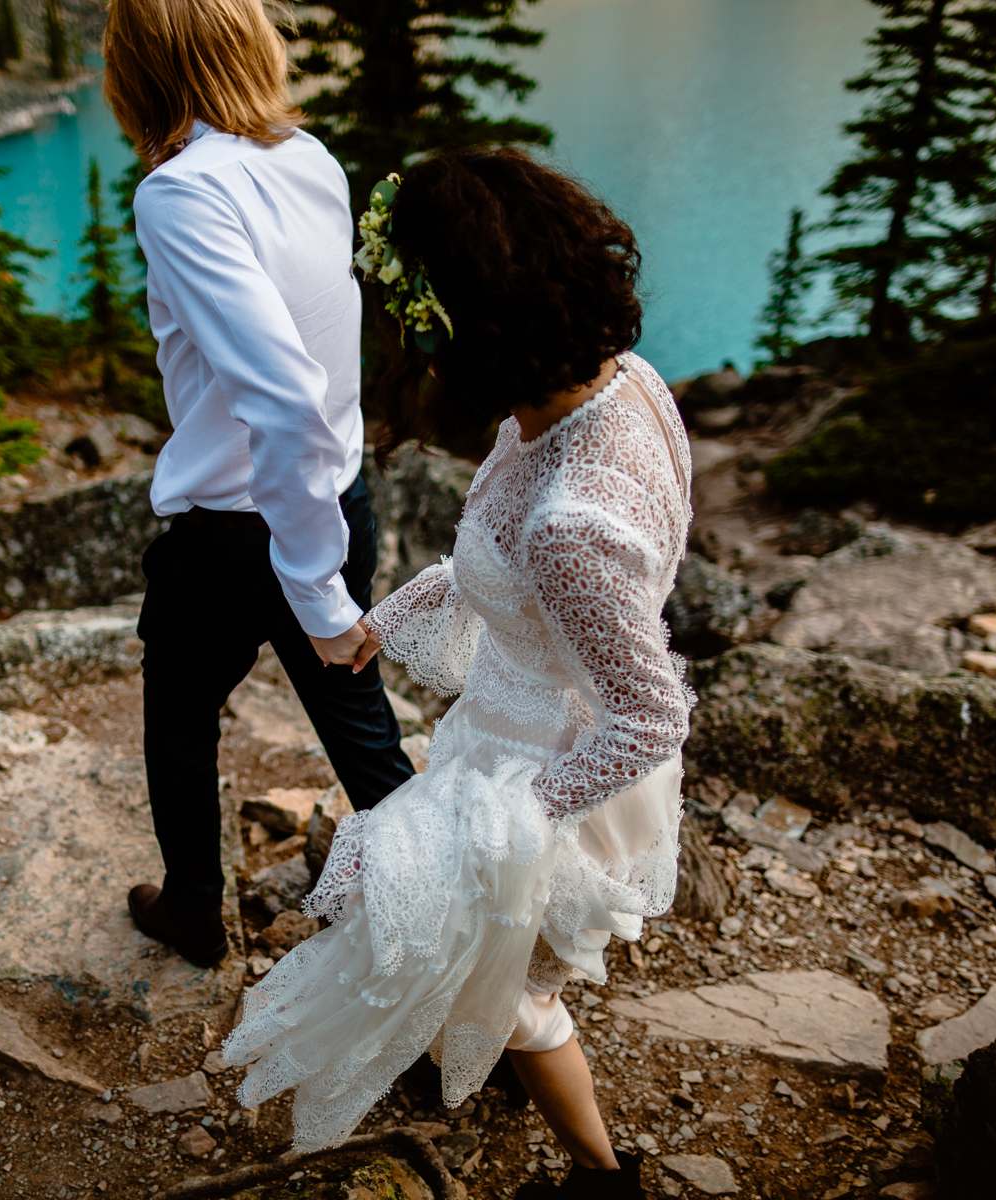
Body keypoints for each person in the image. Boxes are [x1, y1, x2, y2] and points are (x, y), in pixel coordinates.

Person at [221, 148, 696, 1200]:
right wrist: (377, 627)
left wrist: (515, 822)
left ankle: (602, 1177)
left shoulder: (574, 517)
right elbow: (490, 560)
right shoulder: (612, 388)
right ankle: (475, 1048)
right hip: (511, 732)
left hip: (556, 773)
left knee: (519, 990)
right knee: (452, 940)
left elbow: (652, 715)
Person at [102, 0, 415, 969]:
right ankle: (456, 957)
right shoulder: (309, 157)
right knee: (369, 745)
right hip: (335, 497)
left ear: (142, 72)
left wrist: (312, 587)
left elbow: (282, 392)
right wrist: (325, 561)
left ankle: (195, 906)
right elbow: (325, 355)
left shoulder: (180, 194)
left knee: (181, 716)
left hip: (237, 533)